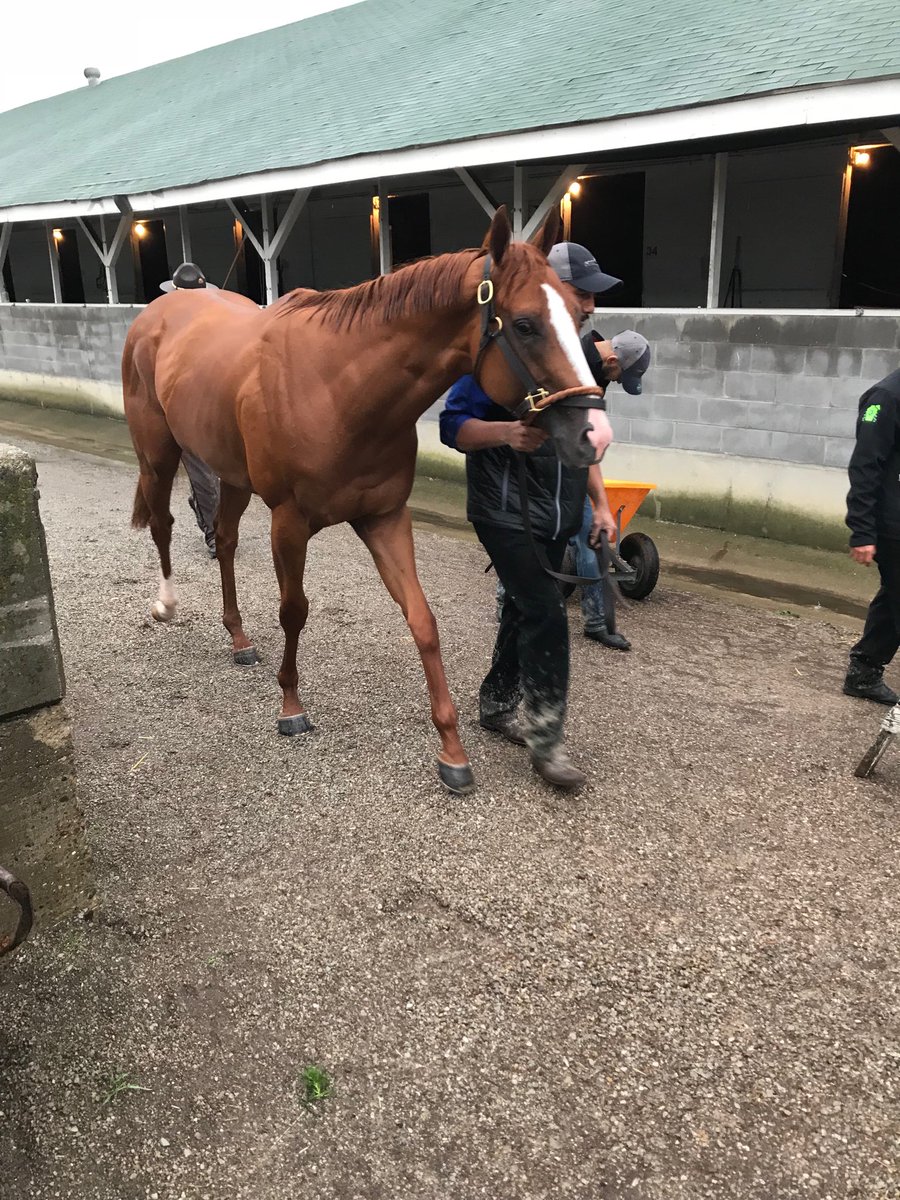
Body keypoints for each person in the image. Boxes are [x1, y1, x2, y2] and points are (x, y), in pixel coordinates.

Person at [439, 242, 624, 790]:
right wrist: (505, 433)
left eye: (590, 298)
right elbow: (452, 426)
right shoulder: (504, 351)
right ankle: (548, 740)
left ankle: (497, 703)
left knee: (523, 608)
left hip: (558, 510)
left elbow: (584, 443)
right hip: (504, 508)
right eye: (581, 293)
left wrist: (599, 505)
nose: (589, 304)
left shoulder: (574, 355)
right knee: (545, 610)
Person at [843, 366, 900, 705]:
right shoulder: (886, 397)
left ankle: (863, 673)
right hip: (893, 526)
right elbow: (865, 465)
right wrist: (862, 530)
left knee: (893, 595)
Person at [160, 263, 221, 558]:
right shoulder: (169, 326)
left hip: (215, 404)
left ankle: (209, 517)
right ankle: (214, 533)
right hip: (187, 410)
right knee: (203, 474)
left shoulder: (214, 321)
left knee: (219, 474)